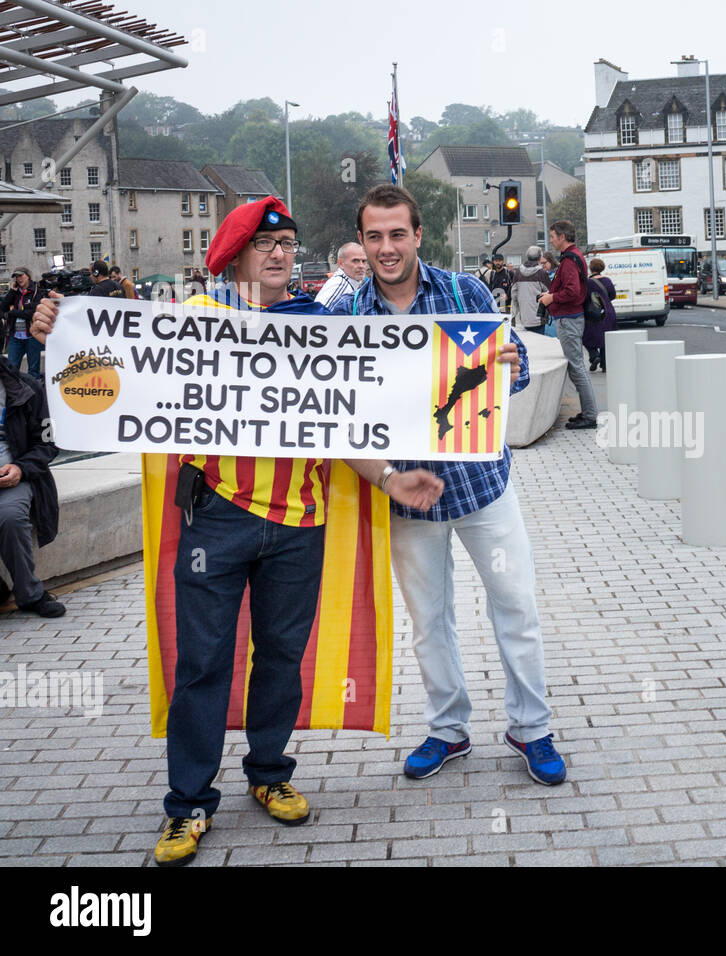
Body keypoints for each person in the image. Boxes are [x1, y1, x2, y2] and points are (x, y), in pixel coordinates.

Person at [33, 196, 443, 867]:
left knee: (281, 658)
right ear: (234, 256)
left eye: (287, 241)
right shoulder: (198, 320)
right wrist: (61, 330)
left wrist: (392, 478)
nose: (279, 252)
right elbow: (116, 362)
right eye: (263, 243)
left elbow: (347, 417)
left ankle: (269, 773)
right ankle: (188, 803)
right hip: (216, 518)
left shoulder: (320, 325)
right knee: (202, 664)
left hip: (301, 522)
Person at [331, 184, 566, 789]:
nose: (386, 248)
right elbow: (336, 411)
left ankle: (531, 728)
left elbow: (504, 380)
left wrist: (510, 365)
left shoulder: (464, 291)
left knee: (515, 603)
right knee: (428, 619)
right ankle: (447, 729)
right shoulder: (346, 318)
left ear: (417, 236)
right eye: (374, 236)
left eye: (397, 234)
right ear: (362, 240)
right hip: (407, 496)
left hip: (481, 485)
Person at [0, 354, 62, 617]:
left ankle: (30, 594)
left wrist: (20, 468)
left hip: (15, 476)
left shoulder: (26, 388)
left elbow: (48, 444)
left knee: (11, 517)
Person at [539, 220, 598, 429]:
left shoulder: (570, 260)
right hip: (570, 317)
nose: (552, 240)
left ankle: (590, 416)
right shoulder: (572, 257)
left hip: (569, 318)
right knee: (577, 366)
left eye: (553, 236)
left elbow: (572, 291)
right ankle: (587, 412)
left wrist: (551, 298)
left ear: (562, 237)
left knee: (577, 367)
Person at [2, 268, 42, 375]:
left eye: (21, 275)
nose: (19, 279)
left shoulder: (36, 291)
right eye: (16, 277)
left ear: (27, 276)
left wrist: (13, 311)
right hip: (15, 337)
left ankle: (34, 391)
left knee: (33, 370)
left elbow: (32, 313)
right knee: (11, 370)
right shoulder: (15, 293)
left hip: (32, 336)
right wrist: (11, 291)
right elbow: (3, 307)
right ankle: (16, 392)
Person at [584, 256, 618, 372]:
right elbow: (613, 295)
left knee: (587, 336)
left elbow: (584, 298)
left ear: (590, 268)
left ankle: (594, 356)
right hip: (608, 312)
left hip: (593, 313)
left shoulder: (588, 282)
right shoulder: (607, 280)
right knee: (606, 338)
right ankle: (605, 364)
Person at [315, 241, 368, 309]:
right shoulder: (340, 284)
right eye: (355, 261)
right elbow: (318, 315)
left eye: (364, 261)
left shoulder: (349, 283)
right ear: (341, 264)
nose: (361, 266)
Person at [511, 245, 551, 334]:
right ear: (540, 258)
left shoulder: (518, 272)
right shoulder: (542, 273)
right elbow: (550, 293)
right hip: (539, 317)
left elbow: (513, 295)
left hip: (523, 317)